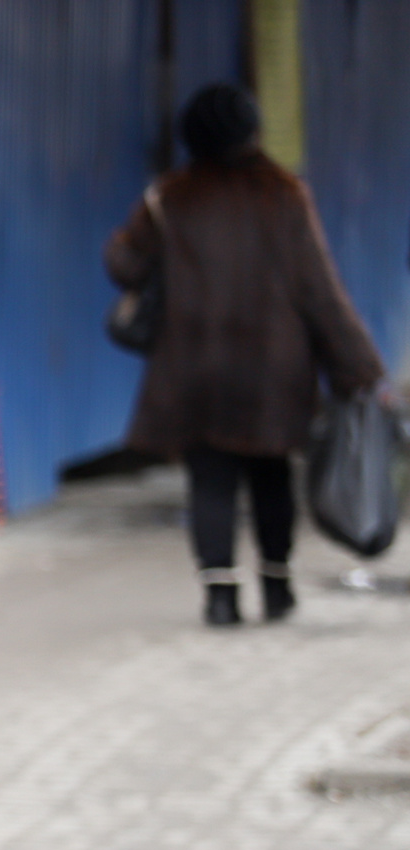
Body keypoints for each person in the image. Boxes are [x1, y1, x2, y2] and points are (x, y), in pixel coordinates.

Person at [105, 83, 385, 626]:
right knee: (271, 474)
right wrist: (359, 368)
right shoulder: (284, 194)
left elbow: (123, 264)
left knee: (209, 478)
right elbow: (320, 291)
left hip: (195, 365)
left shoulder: (170, 197)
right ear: (252, 130)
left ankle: (220, 596)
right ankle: (277, 589)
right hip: (272, 370)